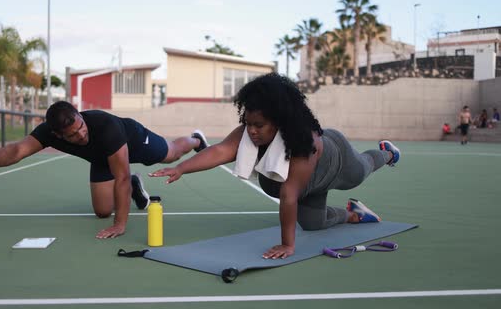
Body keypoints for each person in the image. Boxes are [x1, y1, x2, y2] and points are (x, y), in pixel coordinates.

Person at [149, 73, 400, 260]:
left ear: (279, 120)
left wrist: (287, 244)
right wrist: (181, 168)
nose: (252, 131)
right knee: (313, 224)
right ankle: (353, 213)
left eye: (259, 124)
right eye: (248, 123)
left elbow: (289, 195)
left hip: (337, 161)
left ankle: (387, 154)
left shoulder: (305, 141)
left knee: (362, 170)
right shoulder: (250, 132)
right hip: (310, 185)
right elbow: (221, 150)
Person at [0, 101, 209, 239]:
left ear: (79, 115)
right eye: (73, 135)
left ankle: (196, 140)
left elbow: (119, 176)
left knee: (171, 153)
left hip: (130, 141)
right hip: (102, 158)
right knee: (101, 212)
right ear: (57, 135)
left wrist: (120, 225)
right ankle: (136, 185)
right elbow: (17, 150)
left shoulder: (105, 126)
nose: (81, 134)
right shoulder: (48, 133)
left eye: (81, 127)